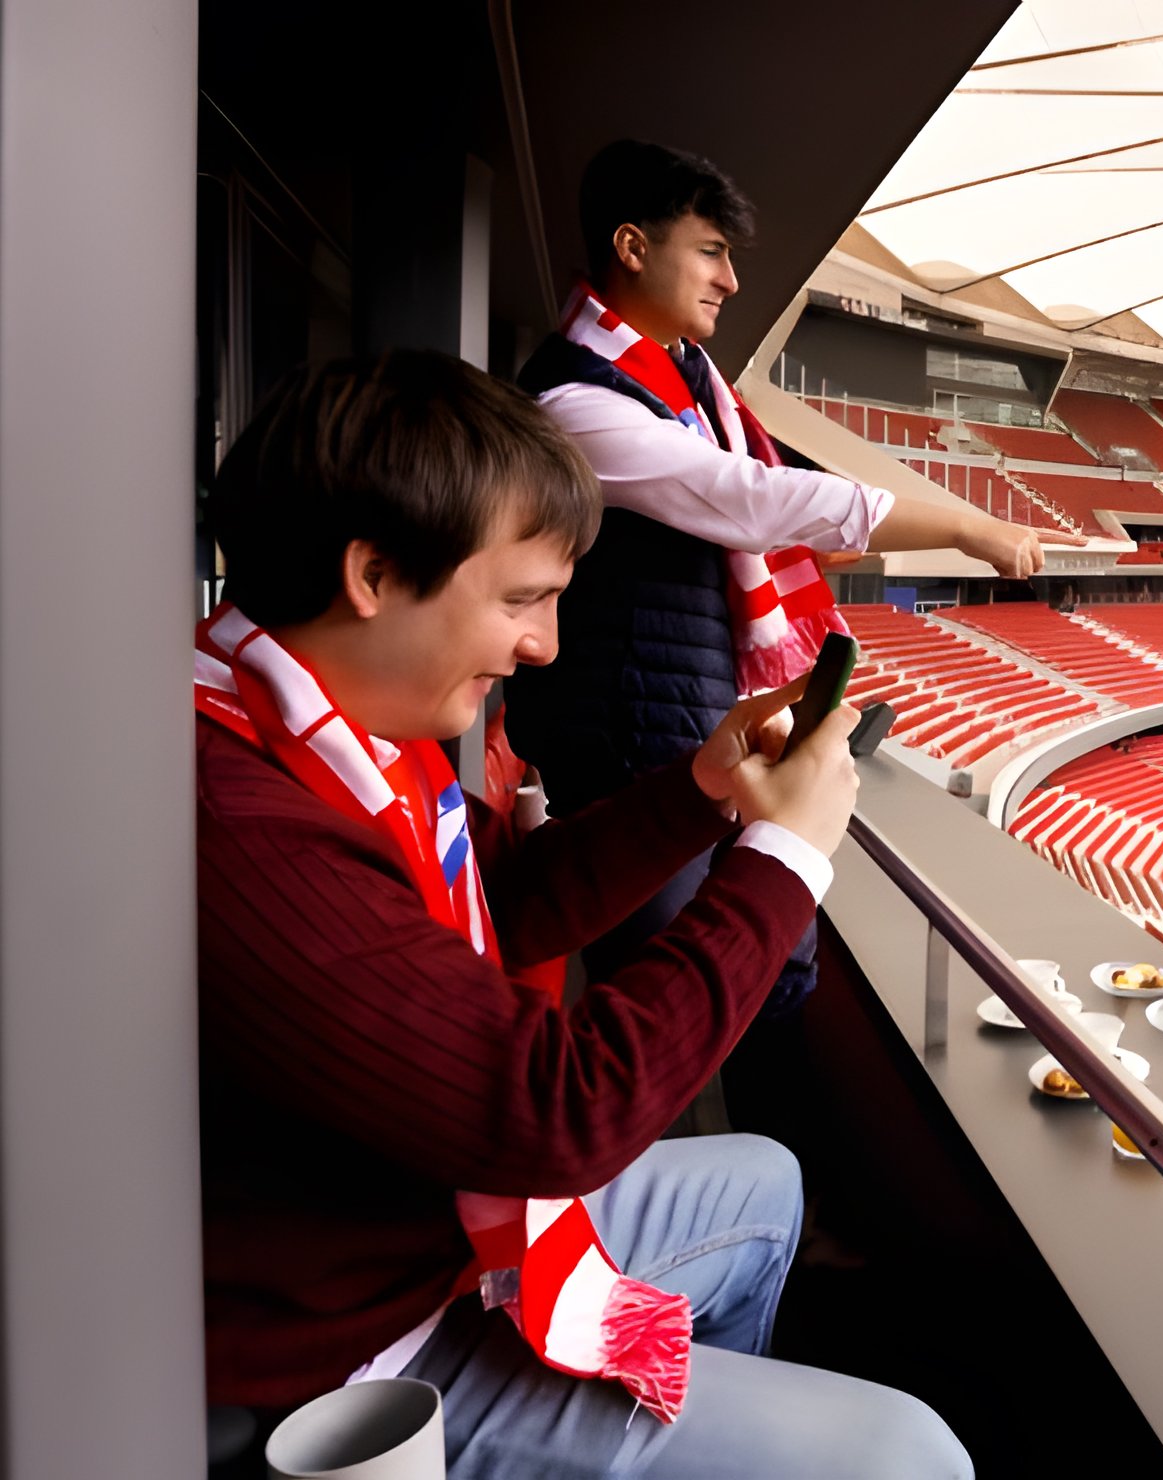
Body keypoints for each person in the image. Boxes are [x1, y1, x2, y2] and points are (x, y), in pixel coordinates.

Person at [197, 350, 970, 1477]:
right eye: (521, 598)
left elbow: (507, 900)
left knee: (765, 1183)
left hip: (426, 1234)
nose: (543, 645)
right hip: (367, 1347)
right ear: (372, 574)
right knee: (908, 1453)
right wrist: (785, 858)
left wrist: (703, 789)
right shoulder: (237, 820)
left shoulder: (324, 733)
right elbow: (558, 1112)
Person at [505, 138, 1084, 989]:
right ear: (632, 247)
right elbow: (751, 499)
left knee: (751, 966)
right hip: (630, 736)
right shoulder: (578, 403)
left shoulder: (686, 389)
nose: (729, 280)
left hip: (675, 719)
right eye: (710, 251)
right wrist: (964, 527)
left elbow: (765, 503)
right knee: (689, 971)